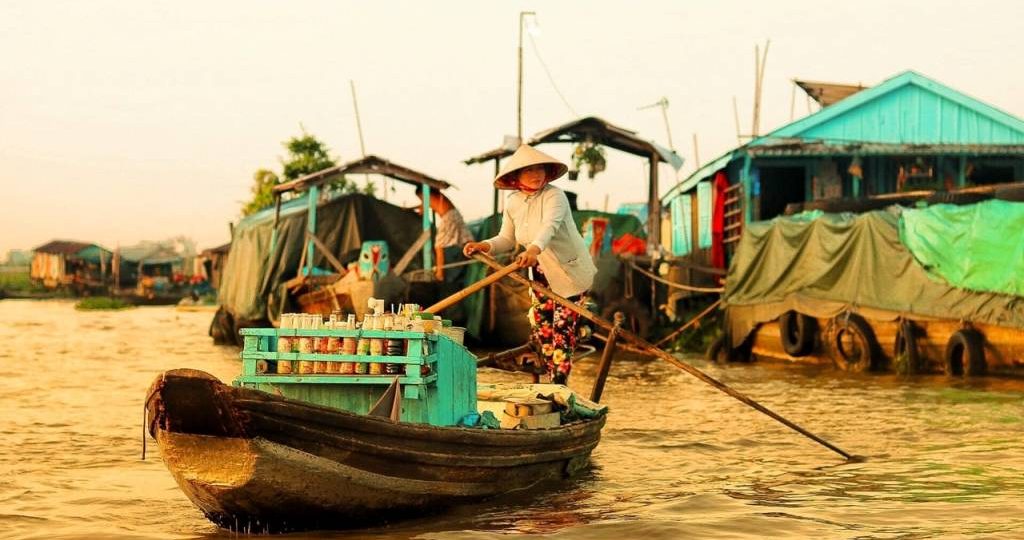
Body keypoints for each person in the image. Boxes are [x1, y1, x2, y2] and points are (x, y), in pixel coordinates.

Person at [463, 145, 598, 384]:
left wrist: (534, 250)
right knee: (543, 330)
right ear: (516, 177)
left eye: (540, 169)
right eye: (529, 171)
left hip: (570, 273)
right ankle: (547, 381)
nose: (536, 175)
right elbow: (506, 238)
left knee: (562, 333)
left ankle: (558, 388)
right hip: (539, 272)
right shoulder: (513, 202)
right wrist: (484, 246)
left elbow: (550, 227)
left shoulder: (555, 196)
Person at [415, 185, 474, 282]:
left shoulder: (426, 195)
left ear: (421, 193)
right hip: (455, 214)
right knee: (467, 241)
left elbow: (422, 210)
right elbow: (423, 206)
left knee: (439, 245)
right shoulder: (436, 195)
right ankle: (477, 262)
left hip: (448, 218)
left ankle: (440, 273)